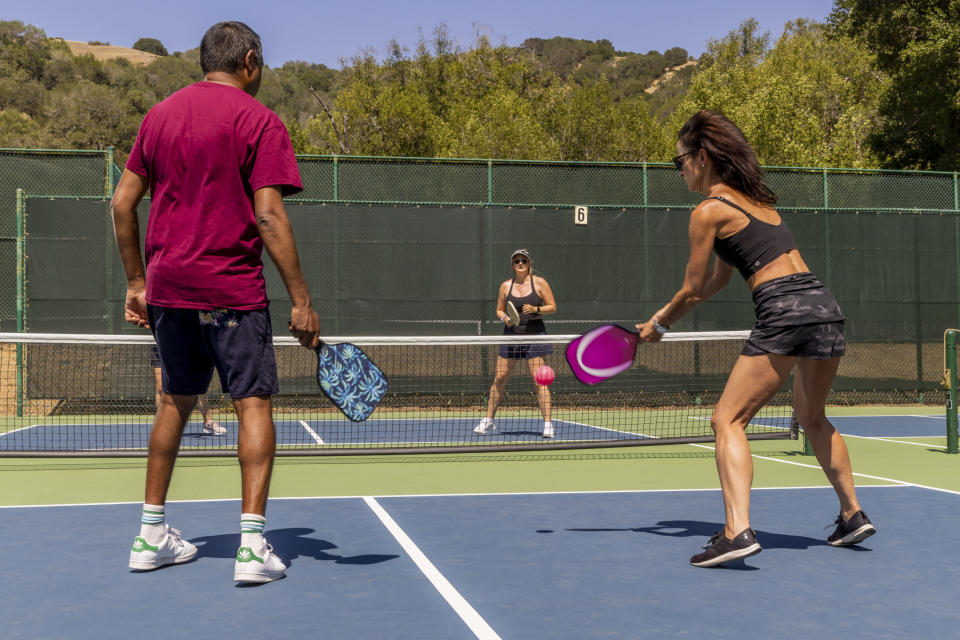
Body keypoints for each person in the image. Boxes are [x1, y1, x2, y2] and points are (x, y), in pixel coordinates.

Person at [111, 21, 320, 584]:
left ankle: (150, 536)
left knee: (175, 402)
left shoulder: (158, 117)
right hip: (232, 291)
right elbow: (269, 214)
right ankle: (252, 548)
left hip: (170, 291)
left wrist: (137, 282)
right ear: (249, 60)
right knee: (252, 405)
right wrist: (301, 299)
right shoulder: (259, 121)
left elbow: (122, 204)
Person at [637, 110, 876, 568]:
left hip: (783, 308)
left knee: (727, 420)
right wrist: (666, 318)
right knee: (812, 417)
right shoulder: (757, 204)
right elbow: (717, 282)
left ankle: (736, 531)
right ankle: (852, 513)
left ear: (701, 157)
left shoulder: (707, 212)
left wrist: (660, 323)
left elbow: (690, 289)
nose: (679, 169)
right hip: (823, 306)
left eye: (679, 160)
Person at [475, 249, 557, 438]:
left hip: (534, 337)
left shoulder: (540, 283)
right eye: (516, 261)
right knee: (499, 379)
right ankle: (488, 420)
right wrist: (505, 318)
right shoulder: (505, 286)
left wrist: (536, 308)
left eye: (523, 260)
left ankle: (548, 425)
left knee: (540, 382)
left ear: (529, 263)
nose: (520, 263)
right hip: (511, 337)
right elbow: (499, 309)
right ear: (512, 265)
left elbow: (552, 307)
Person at [149, 345, 225, 435]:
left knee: (198, 382)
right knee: (161, 386)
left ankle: (208, 422)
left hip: (181, 344)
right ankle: (161, 424)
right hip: (159, 346)